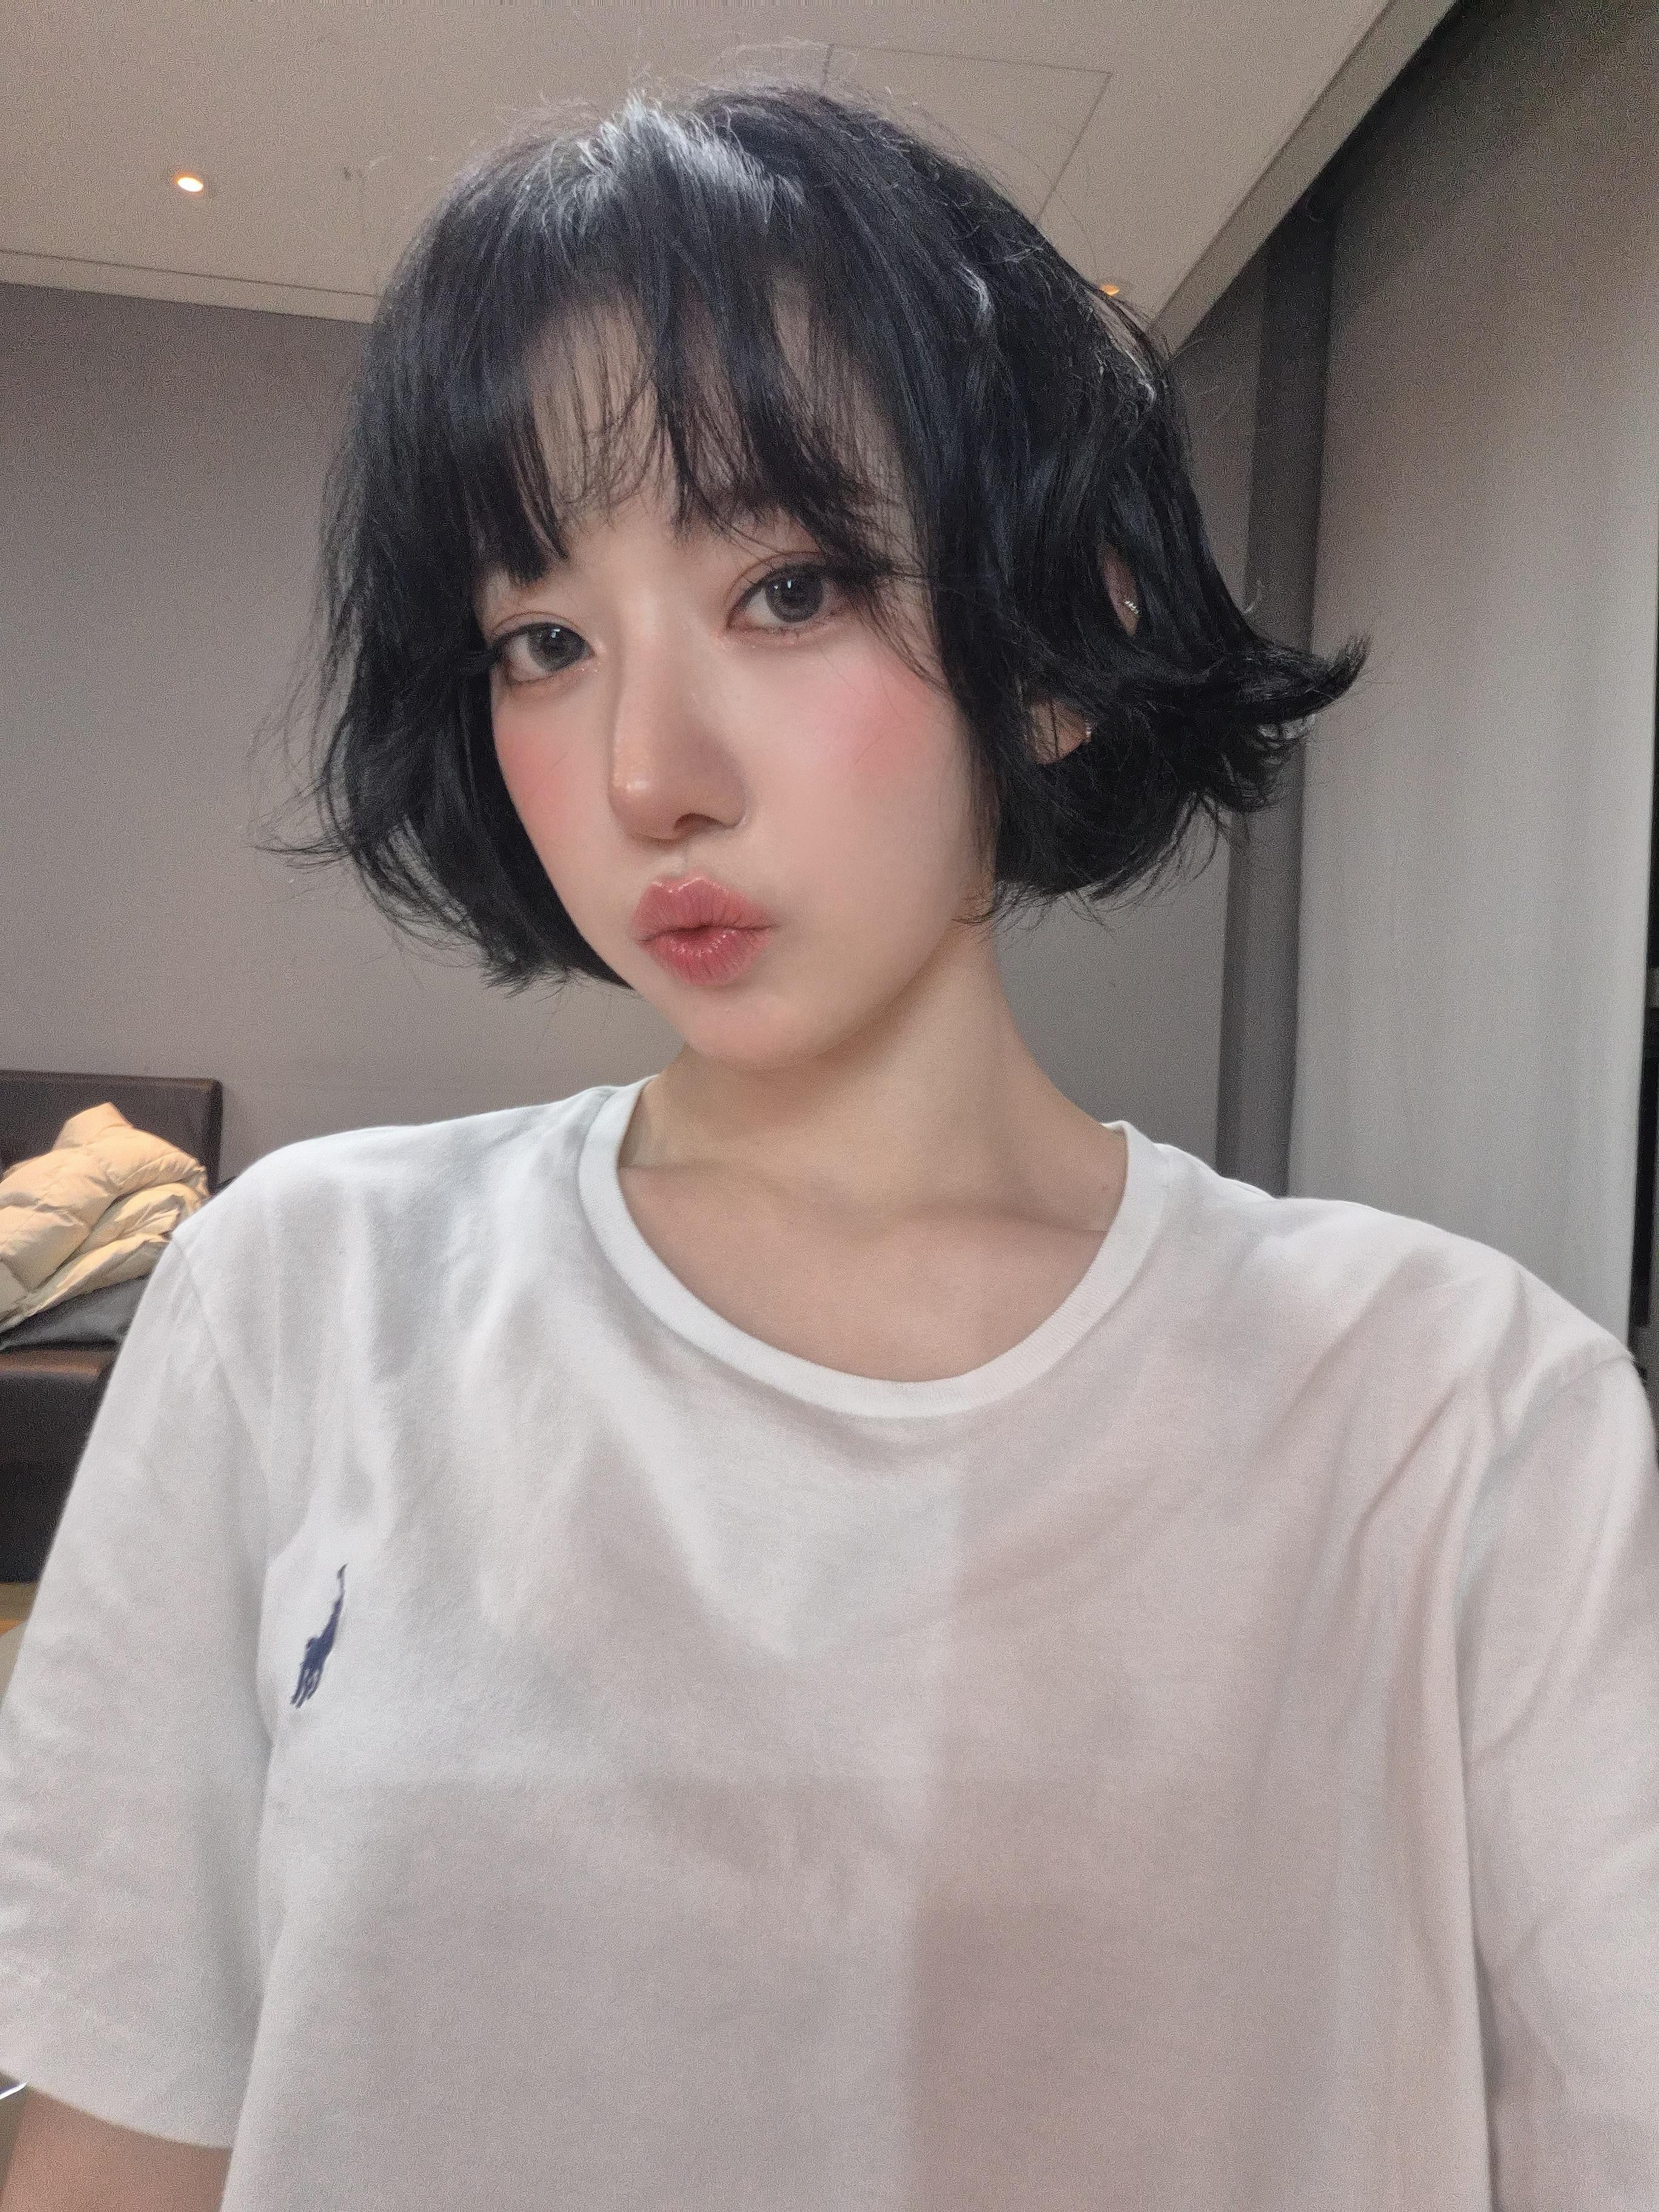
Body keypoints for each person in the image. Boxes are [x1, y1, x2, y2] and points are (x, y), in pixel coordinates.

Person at [0, 77, 1654, 2212]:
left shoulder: (1461, 1417)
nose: (647, 773)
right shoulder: (301, 1296)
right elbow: (125, 2134)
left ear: (1060, 641)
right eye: (544, 641)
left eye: (786, 591)